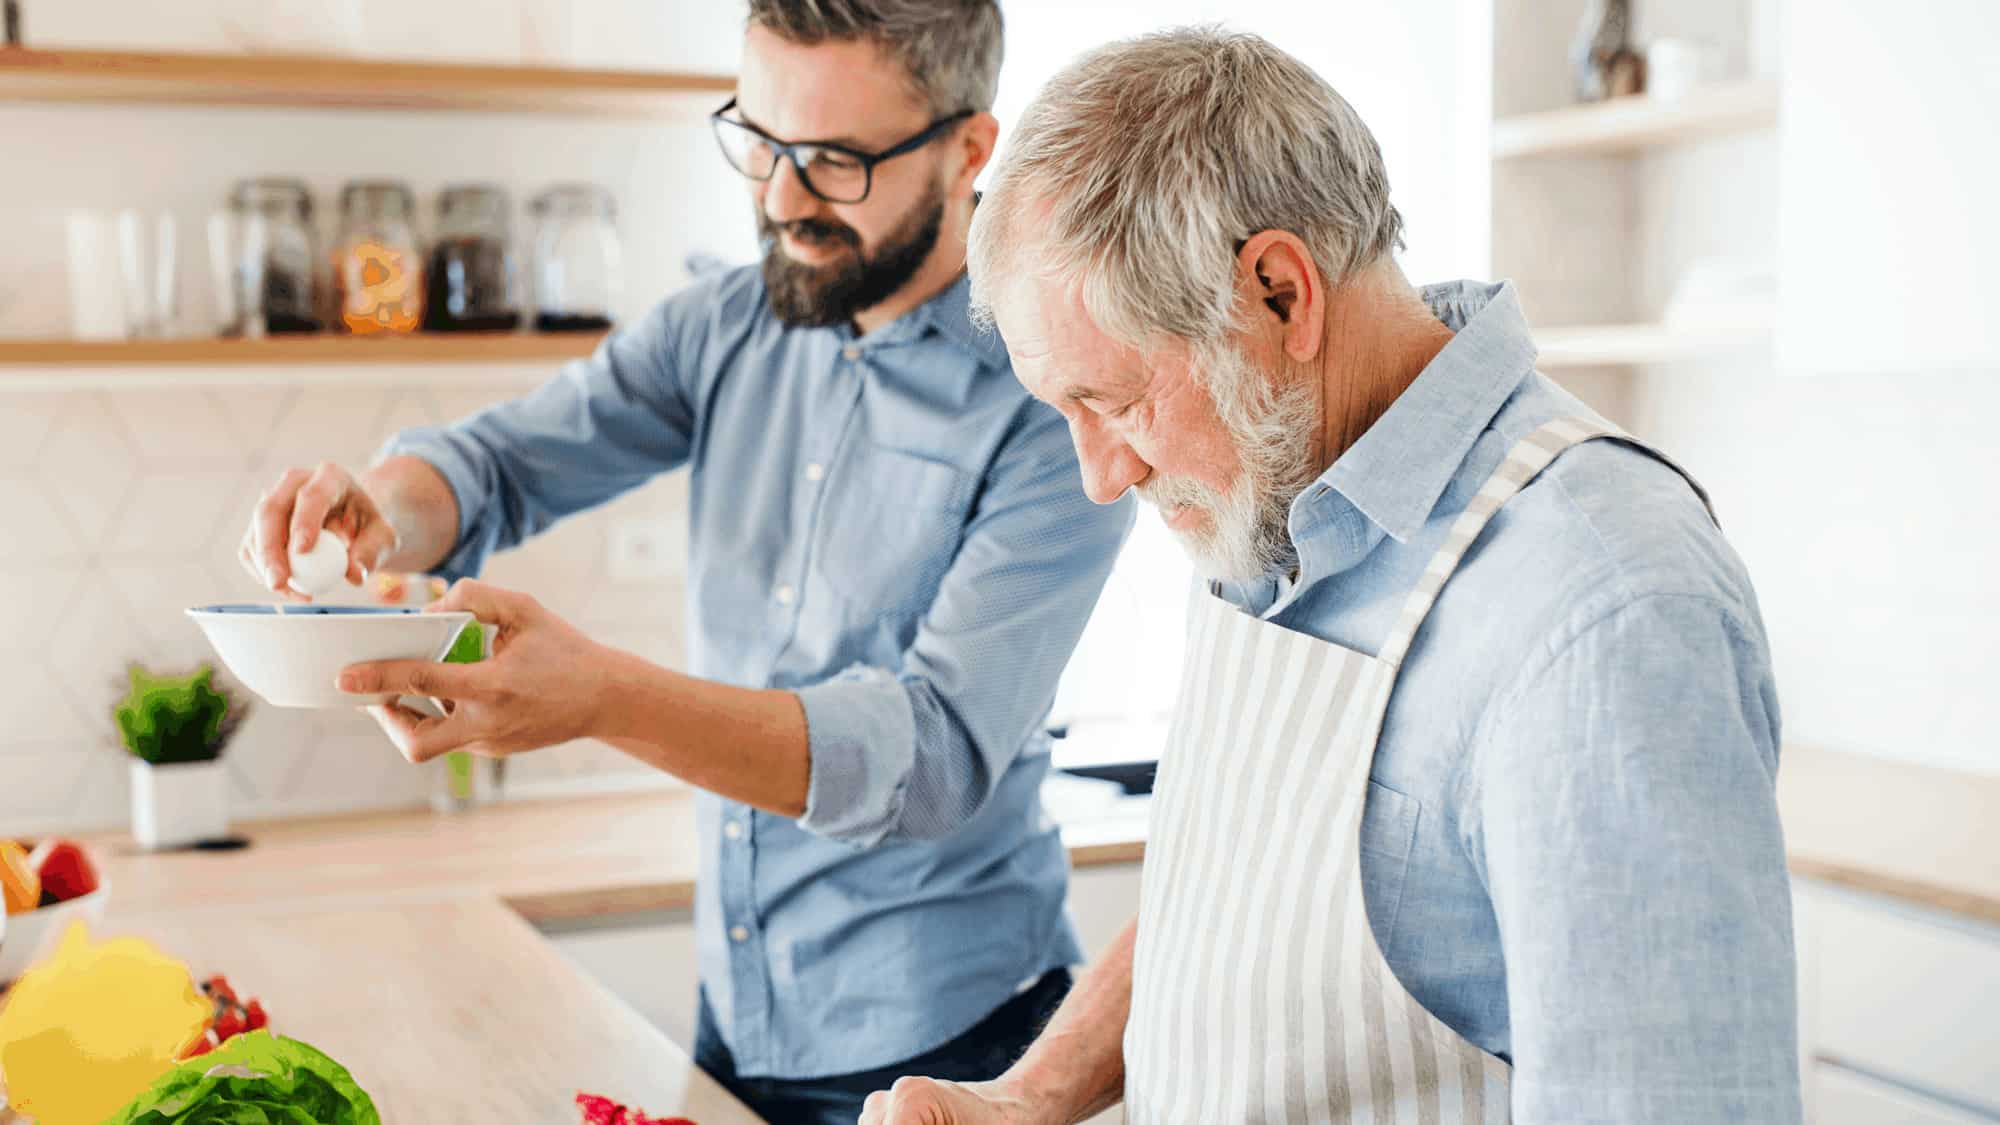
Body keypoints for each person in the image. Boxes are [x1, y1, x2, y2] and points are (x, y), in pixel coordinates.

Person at [865, 27, 1800, 1124]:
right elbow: (1242, 890)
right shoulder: (1271, 481)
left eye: (1113, 403)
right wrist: (1030, 1098)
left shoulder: (1598, 605)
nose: (1100, 476)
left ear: (1275, 293)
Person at [237, 4, 1133, 1122]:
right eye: (758, 140)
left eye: (834, 162)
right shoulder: (731, 323)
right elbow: (504, 463)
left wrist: (599, 697)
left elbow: (932, 755)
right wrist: (378, 509)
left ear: (968, 150)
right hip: (736, 1020)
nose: (778, 199)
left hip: (961, 1047)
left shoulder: (1060, 389)